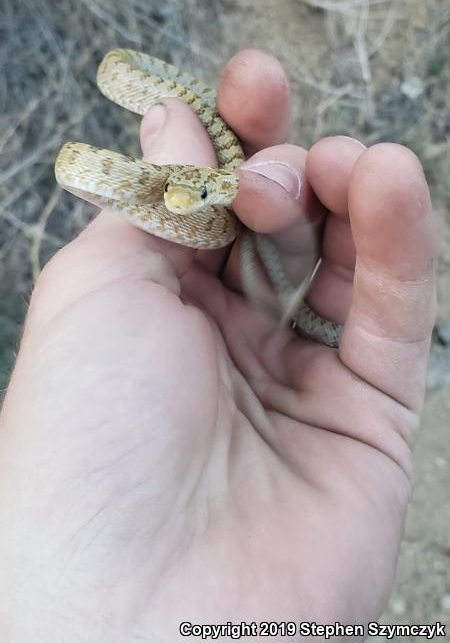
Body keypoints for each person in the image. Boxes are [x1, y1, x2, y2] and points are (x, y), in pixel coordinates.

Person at [0, 50, 436, 642]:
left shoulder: (225, 196)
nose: (179, 204)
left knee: (277, 186)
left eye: (193, 195)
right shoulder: (179, 198)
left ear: (208, 190)